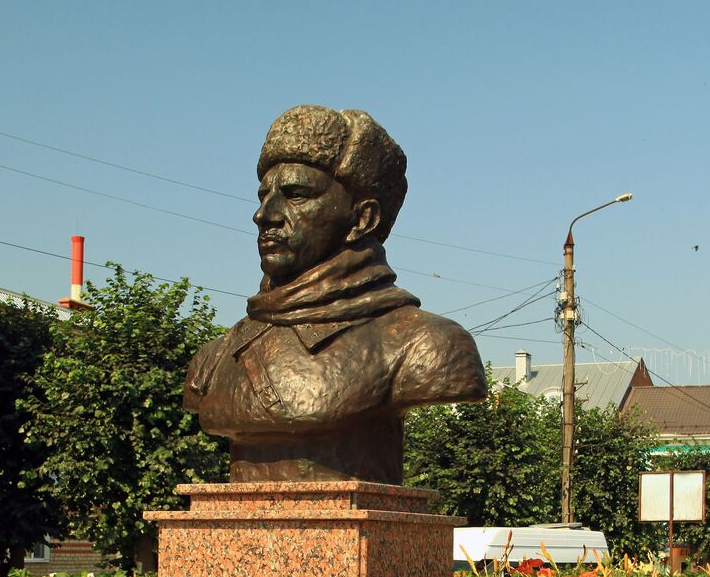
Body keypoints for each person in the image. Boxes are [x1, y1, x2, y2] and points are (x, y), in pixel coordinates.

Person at [183, 105, 487, 484]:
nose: (265, 214)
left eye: (295, 195)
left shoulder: (426, 344)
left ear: (363, 219)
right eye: (264, 195)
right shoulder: (214, 356)